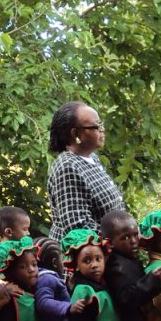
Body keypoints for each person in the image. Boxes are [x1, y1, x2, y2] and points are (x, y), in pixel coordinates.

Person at [46, 101, 125, 241]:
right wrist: (121, 238)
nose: (102, 129)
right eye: (96, 126)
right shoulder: (67, 168)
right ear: (76, 133)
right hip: (85, 257)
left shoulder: (92, 158)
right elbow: (78, 227)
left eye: (101, 124)